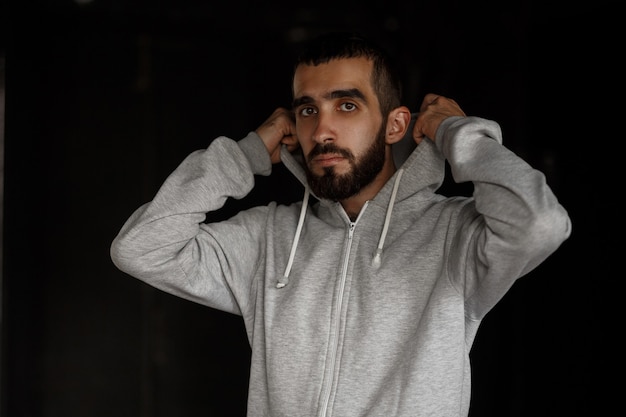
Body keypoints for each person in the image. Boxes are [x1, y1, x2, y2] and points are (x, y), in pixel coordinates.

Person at [110, 31, 571, 416]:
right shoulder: (267, 240)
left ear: (396, 126)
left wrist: (458, 133)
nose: (321, 130)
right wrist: (248, 151)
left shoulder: (453, 236)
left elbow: (539, 224)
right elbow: (141, 247)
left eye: (346, 105)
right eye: (308, 110)